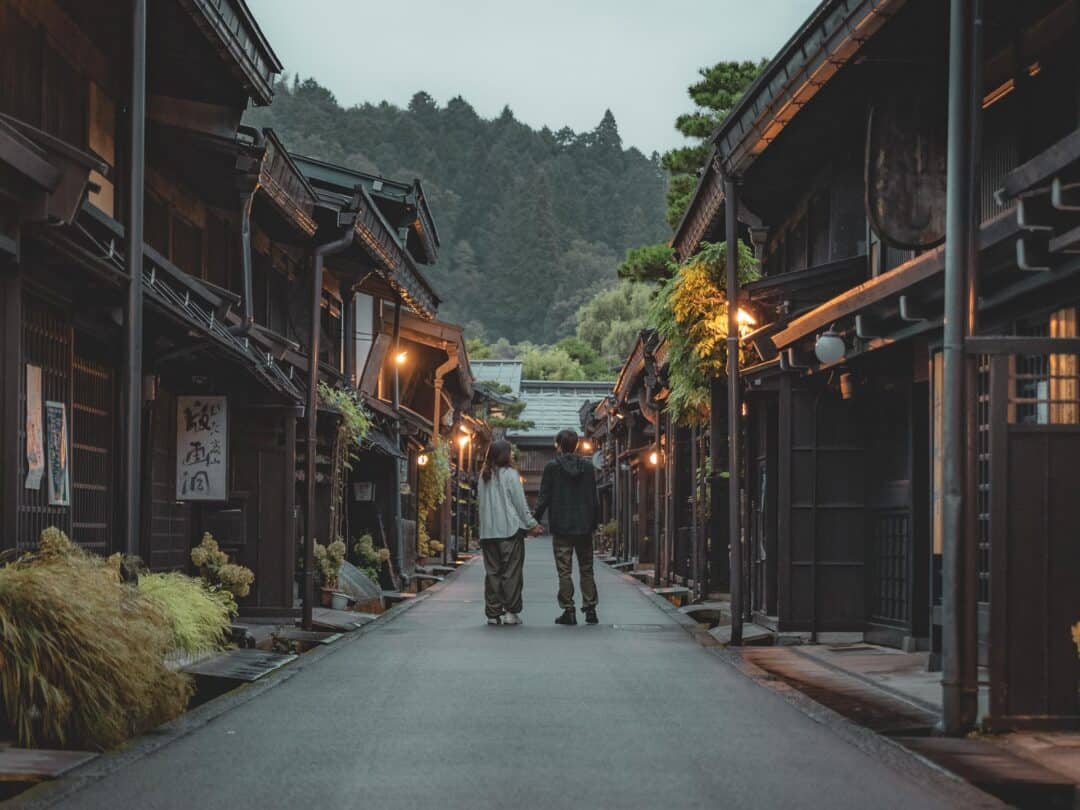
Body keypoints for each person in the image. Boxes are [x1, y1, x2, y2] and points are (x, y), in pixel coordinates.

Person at [533, 429, 600, 625]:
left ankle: (568, 610)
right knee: (587, 568)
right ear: (576, 445)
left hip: (562, 526)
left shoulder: (552, 467)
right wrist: (594, 523)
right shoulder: (588, 468)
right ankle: (590, 609)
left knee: (564, 570)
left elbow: (544, 497)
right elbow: (594, 498)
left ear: (559, 445)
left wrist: (533, 520)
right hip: (584, 526)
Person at [477, 439, 541, 626]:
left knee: (492, 573)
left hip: (488, 532)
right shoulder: (511, 474)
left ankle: (492, 613)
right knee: (511, 573)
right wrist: (532, 524)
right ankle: (510, 612)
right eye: (510, 452)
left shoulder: (483, 476)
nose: (512, 455)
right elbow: (520, 504)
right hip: (509, 530)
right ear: (505, 455)